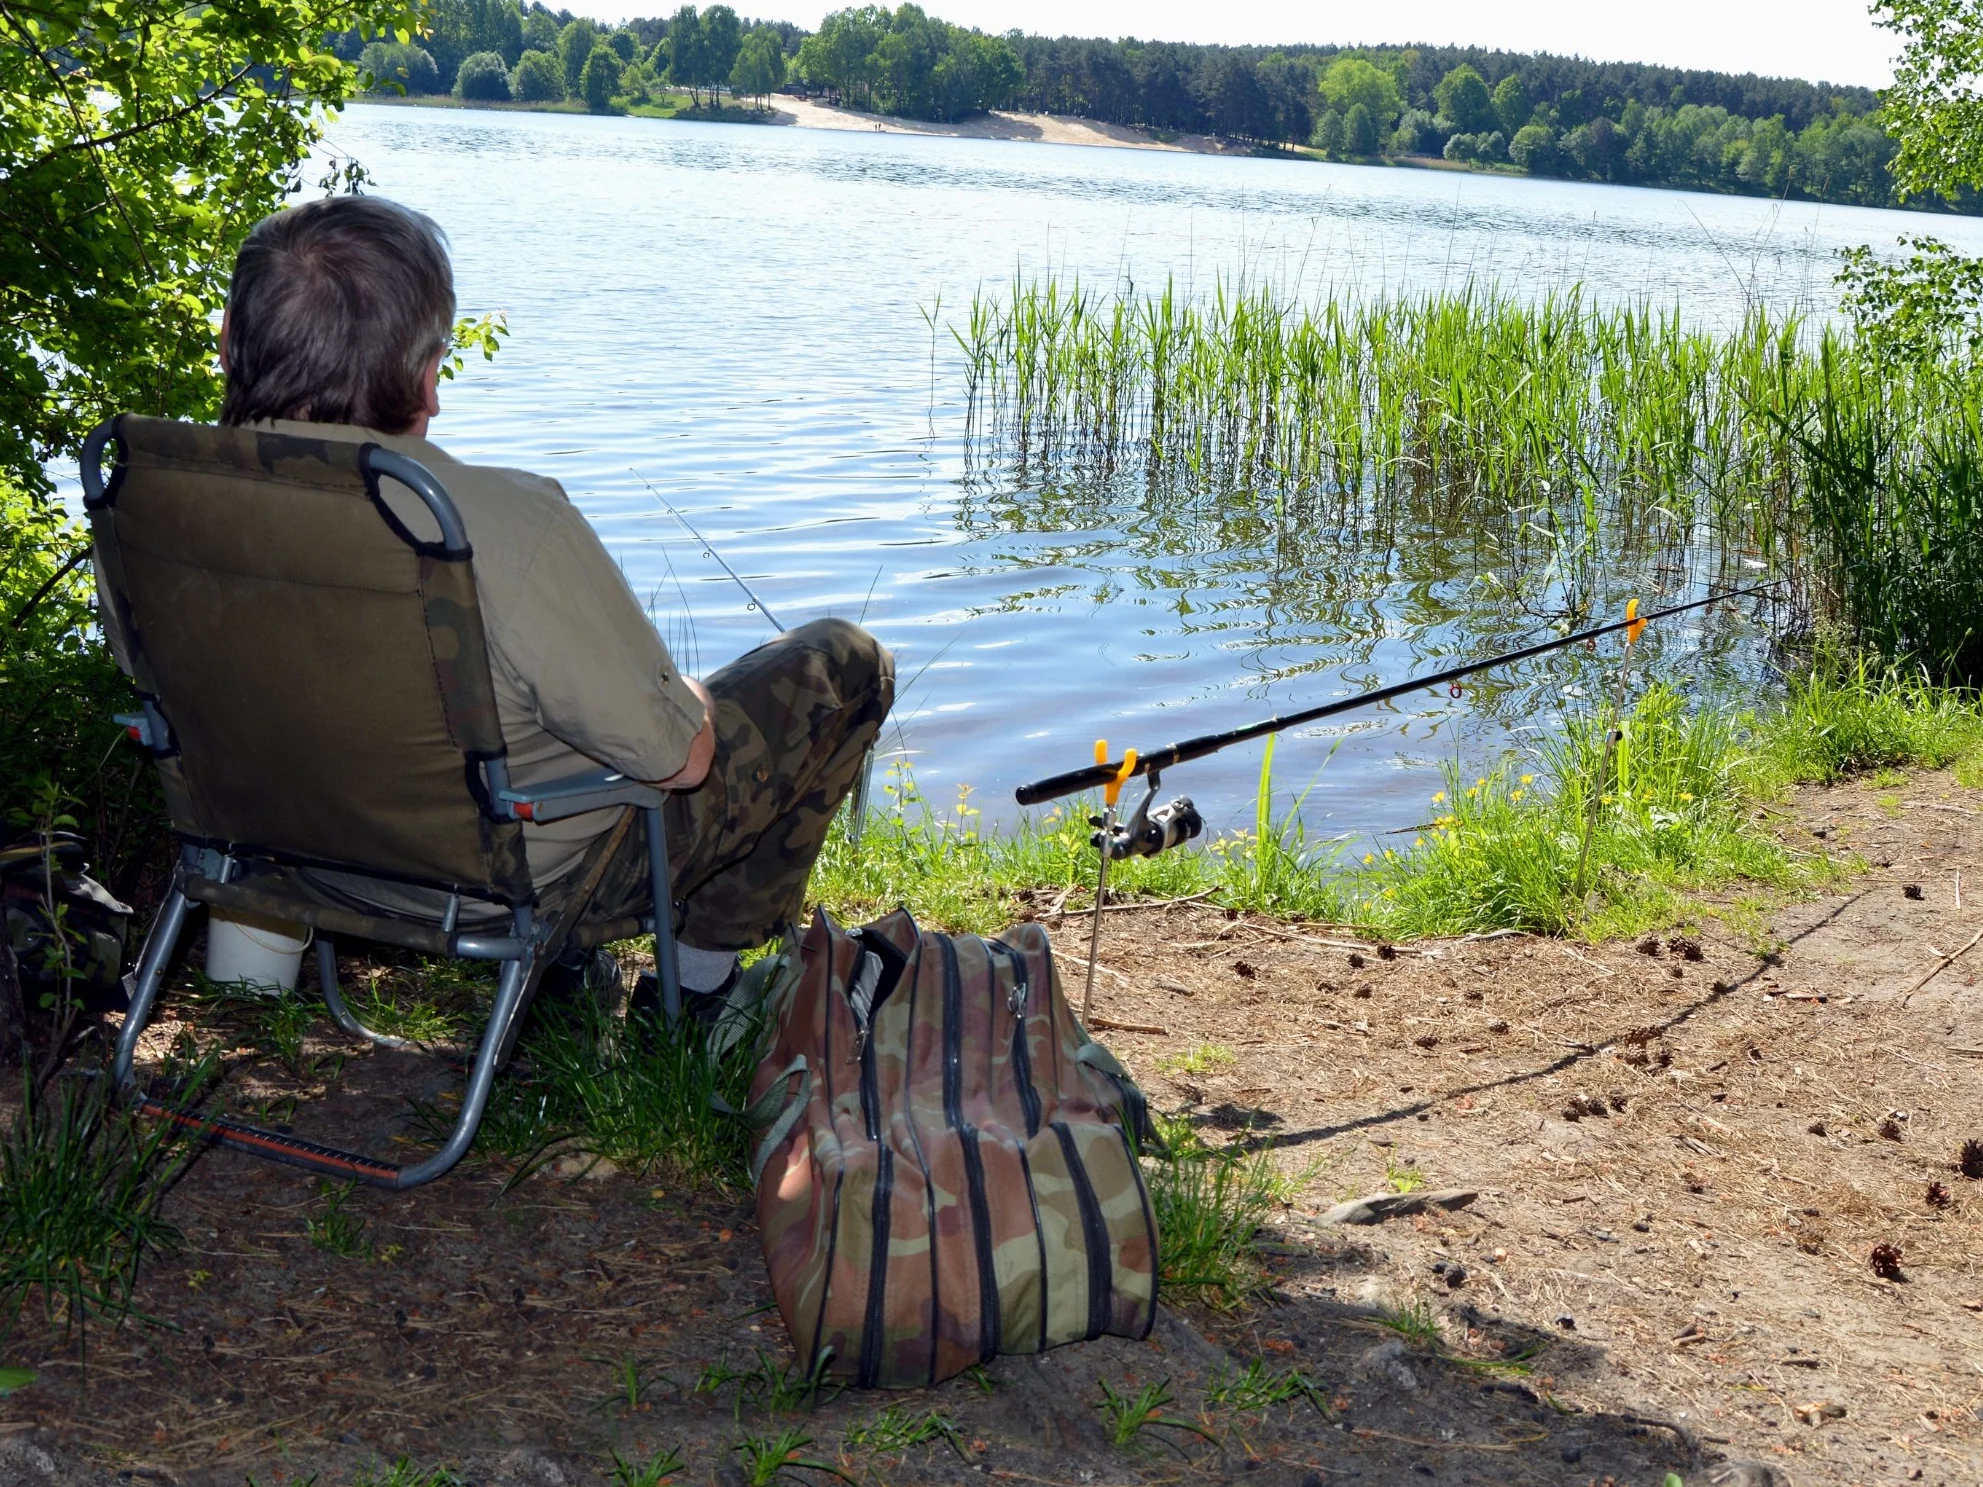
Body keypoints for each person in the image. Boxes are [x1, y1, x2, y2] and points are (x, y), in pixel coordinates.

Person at [150, 193, 893, 1016]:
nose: (435, 397)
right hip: (496, 886)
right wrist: (682, 693)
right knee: (843, 661)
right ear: (417, 370)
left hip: (277, 857)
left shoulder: (152, 508)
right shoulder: (496, 524)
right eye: (432, 361)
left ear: (232, 348)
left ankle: (270, 998)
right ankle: (698, 994)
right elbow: (679, 757)